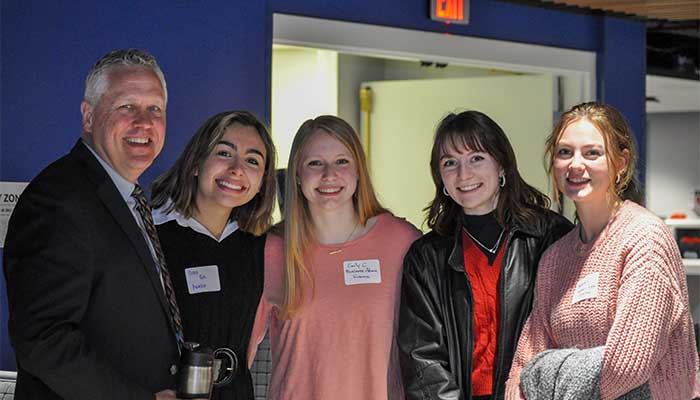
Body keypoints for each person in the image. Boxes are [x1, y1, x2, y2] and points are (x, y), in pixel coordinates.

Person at [4, 49, 180, 399]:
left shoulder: (127, 197)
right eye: (126, 106)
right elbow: (43, 340)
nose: (144, 122)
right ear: (88, 117)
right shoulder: (59, 199)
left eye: (155, 108)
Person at [505, 102, 700, 400]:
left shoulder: (644, 238)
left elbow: (627, 366)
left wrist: (545, 371)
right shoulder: (555, 257)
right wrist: (530, 377)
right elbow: (523, 368)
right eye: (564, 152)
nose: (575, 164)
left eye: (592, 153)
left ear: (621, 162)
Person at [398, 110, 573, 400]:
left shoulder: (550, 236)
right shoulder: (426, 257)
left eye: (476, 158)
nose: (464, 174)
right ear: (440, 176)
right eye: (450, 163)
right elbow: (421, 357)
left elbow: (568, 332)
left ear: (501, 164)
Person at [248, 115, 421, 399]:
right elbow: (238, 350)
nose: (329, 175)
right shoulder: (271, 251)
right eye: (315, 163)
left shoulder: (402, 241)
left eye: (342, 161)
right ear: (296, 175)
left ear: (358, 172)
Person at [150, 110, 277, 400]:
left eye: (253, 160)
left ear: (261, 183)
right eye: (224, 153)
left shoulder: (262, 247)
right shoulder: (151, 235)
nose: (237, 168)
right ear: (196, 163)